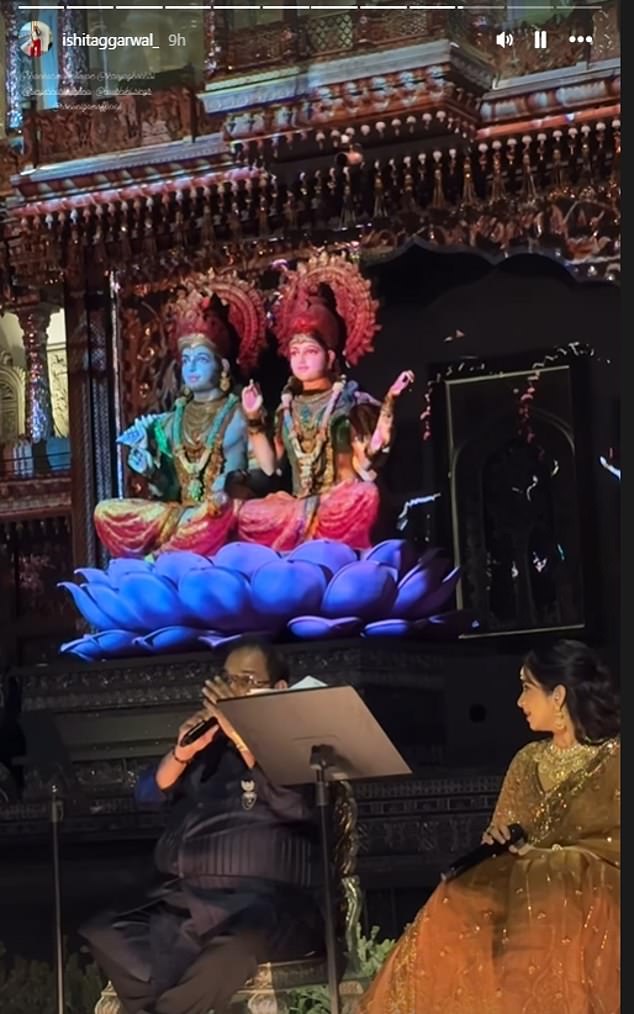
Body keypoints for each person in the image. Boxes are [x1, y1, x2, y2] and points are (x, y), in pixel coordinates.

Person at [359, 639, 620, 1014]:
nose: (519, 702)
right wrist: (498, 841)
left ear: (558, 695)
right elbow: (503, 829)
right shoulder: (527, 760)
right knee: (459, 894)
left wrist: (557, 859)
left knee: (559, 883)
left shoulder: (613, 759)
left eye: (527, 688)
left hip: (590, 891)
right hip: (522, 886)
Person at [82, 639, 323, 1014]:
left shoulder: (297, 744)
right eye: (227, 679)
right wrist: (182, 753)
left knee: (232, 952)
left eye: (245, 680)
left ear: (278, 689)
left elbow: (297, 802)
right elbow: (148, 793)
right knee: (107, 931)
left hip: (265, 904)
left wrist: (244, 732)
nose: (231, 690)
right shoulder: (209, 748)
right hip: (183, 901)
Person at [236, 253, 415, 550]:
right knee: (249, 512)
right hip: (295, 507)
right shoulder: (286, 410)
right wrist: (253, 416)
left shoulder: (350, 403)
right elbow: (269, 467)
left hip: (338, 504)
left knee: (366, 496)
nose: (301, 361)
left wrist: (390, 403)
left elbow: (368, 459)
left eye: (310, 352)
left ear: (330, 356)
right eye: (295, 353)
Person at [94, 275, 266, 558]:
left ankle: (166, 558)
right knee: (106, 511)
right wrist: (152, 472)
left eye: (201, 359)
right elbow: (170, 490)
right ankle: (180, 547)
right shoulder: (172, 421)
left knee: (233, 511)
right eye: (186, 360)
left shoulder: (242, 411)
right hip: (184, 515)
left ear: (222, 365)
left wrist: (234, 480)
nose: (191, 368)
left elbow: (265, 477)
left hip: (226, 513)